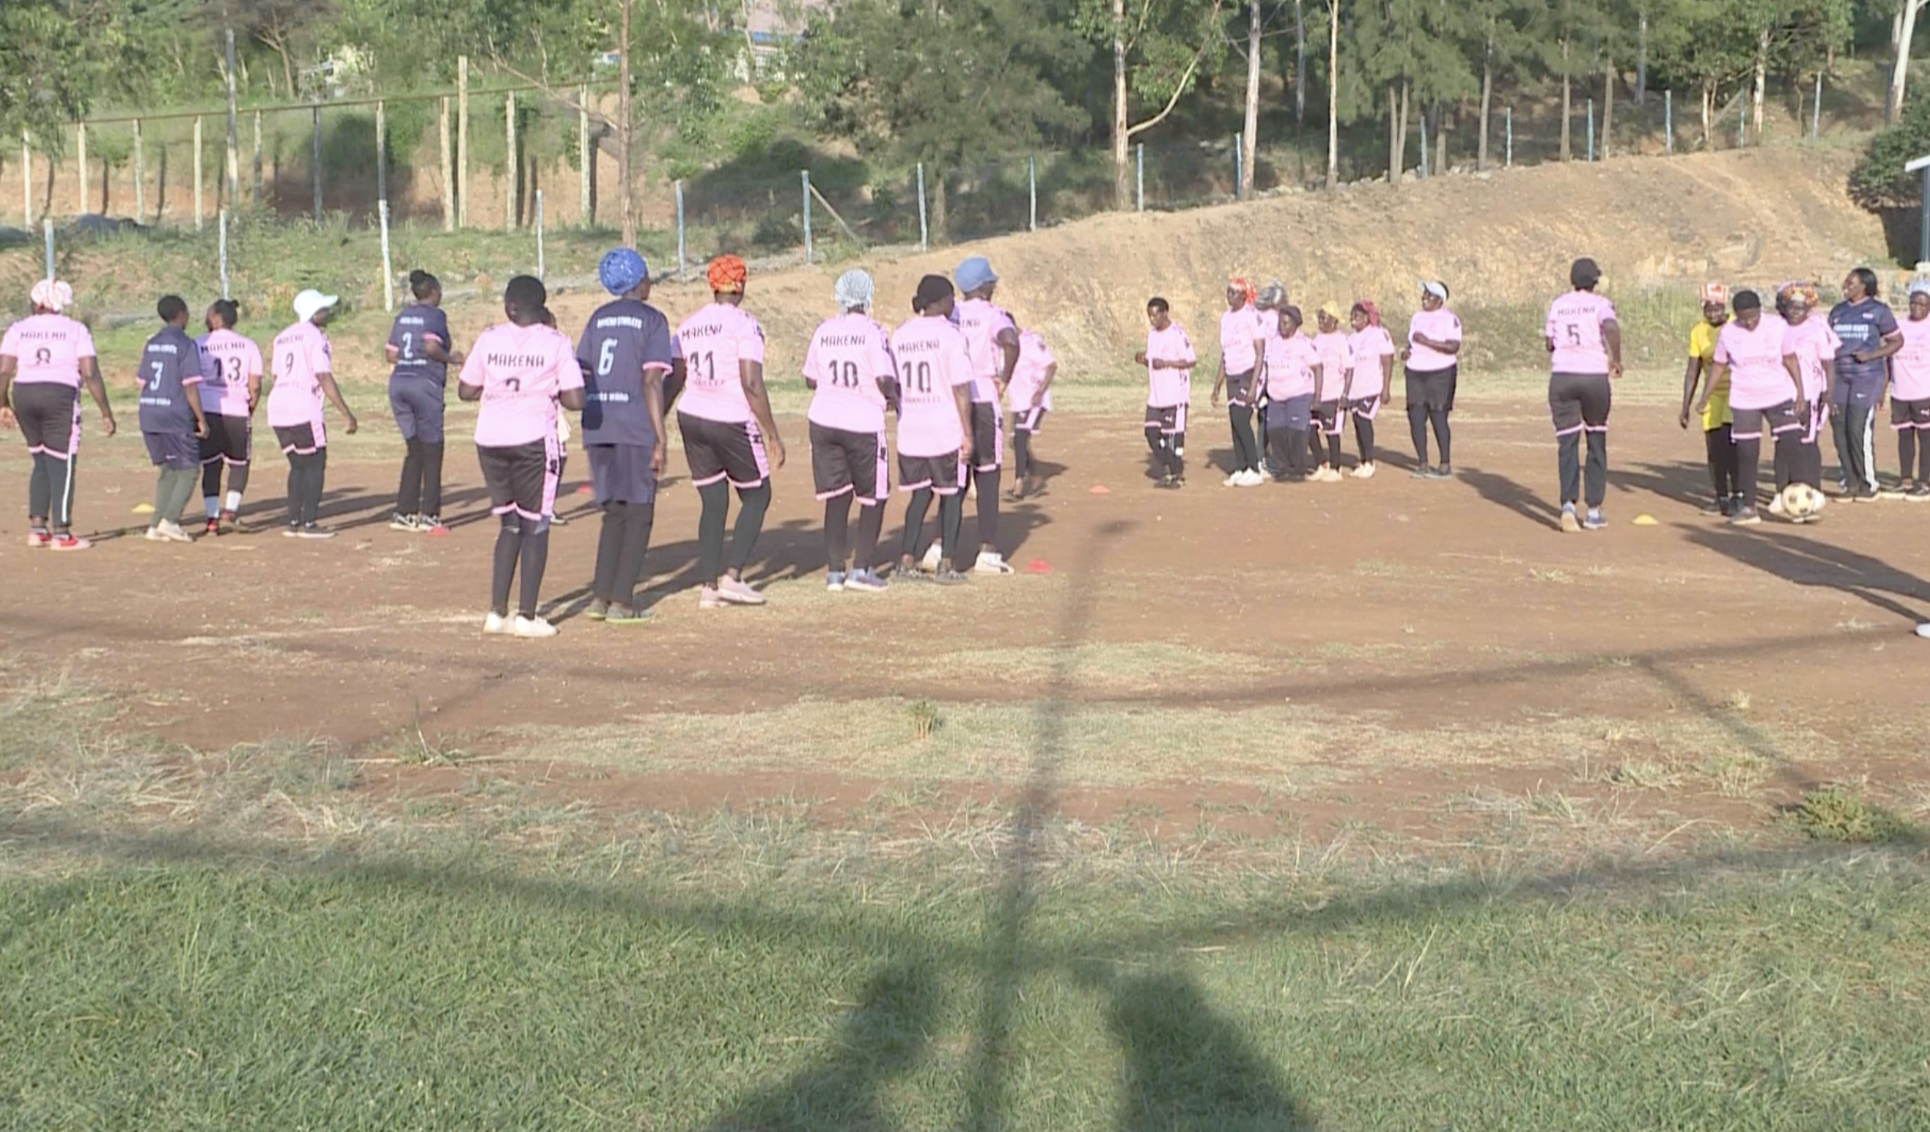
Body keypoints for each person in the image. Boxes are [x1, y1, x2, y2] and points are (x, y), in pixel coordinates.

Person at [459, 275, 584, 638]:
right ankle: (527, 616)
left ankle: (496, 613)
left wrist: (499, 387)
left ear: (508, 307)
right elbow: (576, 399)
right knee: (536, 525)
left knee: (510, 524)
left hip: (490, 439)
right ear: (542, 307)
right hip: (532, 440)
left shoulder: (489, 338)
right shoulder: (556, 342)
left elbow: (465, 389)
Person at [672, 254, 787, 609]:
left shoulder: (688, 325)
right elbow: (751, 382)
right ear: (741, 286)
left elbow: (674, 378)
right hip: (731, 418)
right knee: (757, 495)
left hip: (691, 414)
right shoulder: (744, 324)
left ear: (712, 285)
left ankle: (708, 588)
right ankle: (732, 577)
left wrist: (657, 426)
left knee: (713, 501)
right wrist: (772, 433)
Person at [576, 248, 675, 624]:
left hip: (597, 423)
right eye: (647, 276)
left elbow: (582, 371)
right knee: (639, 512)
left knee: (614, 511)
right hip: (634, 425)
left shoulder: (598, 318)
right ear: (639, 281)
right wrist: (660, 436)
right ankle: (622, 602)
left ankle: (600, 598)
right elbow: (651, 380)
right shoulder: (653, 320)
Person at [0, 279, 116, 550]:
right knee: (63, 461)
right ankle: (62, 533)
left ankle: (38, 528)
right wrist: (106, 412)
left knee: (40, 459)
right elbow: (90, 373)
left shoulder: (17, 329)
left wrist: (3, 403)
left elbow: (3, 371)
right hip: (59, 395)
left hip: (24, 393)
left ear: (36, 303)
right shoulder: (76, 330)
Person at [802, 268, 896, 594]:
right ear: (868, 296)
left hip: (823, 420)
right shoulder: (873, 331)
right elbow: (883, 377)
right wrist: (895, 399)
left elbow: (810, 379)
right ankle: (861, 569)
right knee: (874, 495)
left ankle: (834, 573)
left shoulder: (824, 330)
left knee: (837, 496)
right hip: (862, 422)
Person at [889, 275, 976, 584]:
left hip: (911, 428)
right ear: (942, 301)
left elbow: (891, 383)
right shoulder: (951, 335)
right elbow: (961, 388)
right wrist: (968, 433)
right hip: (944, 428)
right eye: (951, 299)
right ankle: (947, 563)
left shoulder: (900, 335)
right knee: (952, 494)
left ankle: (906, 561)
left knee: (920, 495)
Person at [267, 289, 358, 538]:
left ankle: (293, 522)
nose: (327, 313)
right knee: (315, 463)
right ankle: (309, 523)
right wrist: (346, 413)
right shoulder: (316, 336)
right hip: (303, 408)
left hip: (278, 407)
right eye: (323, 309)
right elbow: (323, 375)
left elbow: (275, 374)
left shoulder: (282, 337)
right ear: (312, 313)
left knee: (297, 465)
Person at [949, 256, 1019, 575]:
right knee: (987, 475)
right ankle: (987, 551)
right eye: (991, 281)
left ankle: (939, 546)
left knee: (953, 477)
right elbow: (1011, 342)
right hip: (982, 398)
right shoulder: (993, 315)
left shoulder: (949, 313)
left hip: (953, 400)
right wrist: (1004, 378)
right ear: (984, 286)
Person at [1706, 290, 1800, 526]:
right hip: (1744, 398)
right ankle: (1749, 507)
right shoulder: (1728, 332)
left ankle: (1796, 500)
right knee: (1747, 454)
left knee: (1791, 444)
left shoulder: (1777, 325)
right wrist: (1704, 396)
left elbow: (1790, 358)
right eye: (1743, 318)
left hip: (1778, 394)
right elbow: (1718, 366)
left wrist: (1800, 391)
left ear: (1760, 310)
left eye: (1753, 317)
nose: (1749, 323)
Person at [1544, 257, 1621, 532]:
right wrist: (1616, 358)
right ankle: (1593, 510)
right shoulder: (1601, 304)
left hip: (1563, 377)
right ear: (1595, 281)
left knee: (1567, 442)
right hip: (1593, 377)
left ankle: (1567, 505)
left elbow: (1549, 342)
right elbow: (1610, 327)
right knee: (1596, 439)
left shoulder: (1558, 304)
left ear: (1572, 280)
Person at [385, 269, 461, 533]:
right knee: (432, 449)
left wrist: (410, 360)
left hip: (399, 383)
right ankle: (430, 514)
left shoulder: (402, 315)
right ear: (433, 292)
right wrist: (451, 359)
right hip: (424, 385)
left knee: (414, 448)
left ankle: (404, 512)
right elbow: (431, 346)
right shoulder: (435, 315)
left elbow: (391, 354)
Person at [136, 296, 211, 543]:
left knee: (167, 468)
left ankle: (155, 525)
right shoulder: (186, 344)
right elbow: (190, 386)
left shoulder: (152, 343)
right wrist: (201, 419)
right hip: (174, 413)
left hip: (149, 411)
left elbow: (141, 381)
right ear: (181, 314)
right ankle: (171, 519)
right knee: (189, 468)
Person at [1826, 267, 1900, 501]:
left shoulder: (1879, 311)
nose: (1845, 286)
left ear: (1864, 286)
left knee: (1857, 428)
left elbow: (1897, 341)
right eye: (1846, 281)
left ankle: (1868, 483)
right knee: (1839, 428)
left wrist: (1871, 355)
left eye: (1851, 282)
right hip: (1840, 376)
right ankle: (1850, 482)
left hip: (1866, 377)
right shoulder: (1838, 311)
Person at [196, 299, 262, 534]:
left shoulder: (198, 343)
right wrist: (249, 408)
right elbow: (255, 385)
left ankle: (211, 519)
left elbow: (189, 380)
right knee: (239, 463)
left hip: (206, 410)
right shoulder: (248, 345)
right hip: (237, 410)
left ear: (215, 317)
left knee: (211, 465)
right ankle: (230, 511)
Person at [1777, 281, 1838, 520]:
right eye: (1791, 306)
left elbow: (1828, 364)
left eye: (1800, 308)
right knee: (1783, 443)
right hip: (1780, 395)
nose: (1795, 311)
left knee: (1807, 443)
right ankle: (1782, 492)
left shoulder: (1816, 330)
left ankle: (1813, 490)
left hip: (1810, 395)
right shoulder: (1778, 328)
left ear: (1808, 310)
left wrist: (1829, 393)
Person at [1678, 283, 1738, 516]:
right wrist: (1685, 406)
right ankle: (1720, 496)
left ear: (1725, 307)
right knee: (1715, 447)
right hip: (1711, 395)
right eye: (1708, 309)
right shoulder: (1698, 331)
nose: (1713, 314)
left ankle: (1738, 495)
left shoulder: (1737, 325)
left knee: (1732, 446)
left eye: (1717, 309)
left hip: (1736, 393)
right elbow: (1693, 371)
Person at [1402, 280, 1462, 478]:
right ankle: (1422, 463)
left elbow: (1453, 346)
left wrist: (1427, 342)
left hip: (1440, 372)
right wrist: (1407, 351)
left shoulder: (1449, 319)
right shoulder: (1417, 317)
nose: (1424, 298)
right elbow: (1412, 341)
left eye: (1429, 295)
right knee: (1416, 416)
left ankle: (1444, 465)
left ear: (1440, 300)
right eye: (1424, 294)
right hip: (1415, 371)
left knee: (1438, 416)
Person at [1136, 297, 1194, 489]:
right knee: (1151, 432)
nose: (1152, 319)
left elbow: (1190, 360)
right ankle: (1172, 467)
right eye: (1149, 315)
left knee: (1171, 437)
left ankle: (1174, 474)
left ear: (1164, 313)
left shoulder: (1177, 334)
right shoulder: (1152, 335)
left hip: (1174, 394)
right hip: (1156, 395)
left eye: (1155, 315)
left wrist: (1167, 363)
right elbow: (1153, 361)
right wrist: (1143, 360)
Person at [1212, 277, 1265, 487]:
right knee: (1234, 421)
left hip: (1248, 372)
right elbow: (1225, 354)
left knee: (1242, 420)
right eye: (1228, 291)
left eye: (1234, 292)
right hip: (1232, 375)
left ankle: (1254, 468)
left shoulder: (1252, 316)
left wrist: (1253, 386)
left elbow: (1260, 353)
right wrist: (1217, 385)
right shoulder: (1225, 318)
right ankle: (1241, 468)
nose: (1229, 295)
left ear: (1244, 296)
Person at [1260, 305, 1323, 481]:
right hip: (1276, 395)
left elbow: (1318, 368)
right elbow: (1266, 367)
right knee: (1275, 430)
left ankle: (1297, 469)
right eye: (1280, 323)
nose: (1282, 326)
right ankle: (1283, 467)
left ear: (1296, 324)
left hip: (1299, 394)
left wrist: (1317, 397)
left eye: (1286, 323)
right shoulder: (1273, 343)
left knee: (1296, 432)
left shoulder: (1303, 343)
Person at [1343, 301, 1393, 478]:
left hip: (1372, 387)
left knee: (1364, 420)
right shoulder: (1350, 338)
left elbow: (1387, 361)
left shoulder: (1378, 334)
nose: (1353, 319)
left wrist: (1386, 388)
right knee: (1357, 422)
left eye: (1357, 316)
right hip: (1356, 389)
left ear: (1366, 318)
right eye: (1351, 316)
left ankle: (1370, 461)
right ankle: (1363, 460)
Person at [1890, 278, 1930, 499]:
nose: (1917, 307)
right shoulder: (1898, 325)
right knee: (1904, 437)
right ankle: (1905, 480)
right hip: (1900, 392)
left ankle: (1924, 481)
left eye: (1922, 304)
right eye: (1913, 302)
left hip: (1925, 392)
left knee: (1926, 439)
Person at [1008, 325, 1057, 500]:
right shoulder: (1006, 346)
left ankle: (1019, 484)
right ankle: (1035, 475)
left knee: (1020, 439)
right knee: (1015, 442)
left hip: (1034, 400)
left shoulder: (1031, 342)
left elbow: (1051, 365)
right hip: (1019, 402)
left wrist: (1040, 391)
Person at [1312, 303, 1353, 476]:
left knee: (1332, 433)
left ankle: (1335, 468)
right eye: (1320, 317)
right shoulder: (1317, 339)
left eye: (1324, 317)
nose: (1320, 320)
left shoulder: (1341, 340)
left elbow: (1349, 369)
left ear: (1334, 321)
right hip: (1316, 394)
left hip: (1334, 393)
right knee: (1309, 429)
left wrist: (1345, 394)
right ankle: (1321, 463)